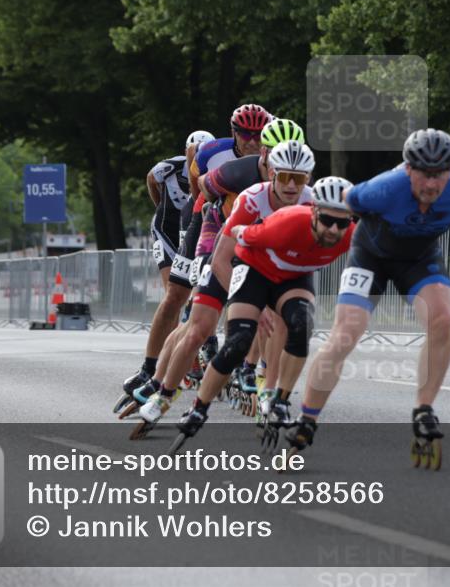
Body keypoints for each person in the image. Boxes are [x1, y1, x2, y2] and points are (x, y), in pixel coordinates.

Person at [288, 129, 450, 470]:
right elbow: (347, 204)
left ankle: (424, 410)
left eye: (441, 175)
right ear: (408, 169)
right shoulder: (381, 190)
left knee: (442, 320)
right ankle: (307, 418)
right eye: (424, 174)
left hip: (420, 260)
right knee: (347, 331)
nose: (432, 184)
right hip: (371, 257)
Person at [128, 135, 316, 439]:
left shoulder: (311, 202)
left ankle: (268, 386)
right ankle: (163, 392)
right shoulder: (251, 194)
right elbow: (220, 259)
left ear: (308, 178)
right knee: (199, 325)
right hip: (219, 244)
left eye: (299, 179)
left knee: (281, 317)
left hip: (262, 258)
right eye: (284, 178)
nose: (292, 187)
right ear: (271, 173)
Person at [169, 176, 356, 453]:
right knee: (239, 342)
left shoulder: (353, 236)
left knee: (301, 324)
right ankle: (199, 407)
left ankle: (280, 400)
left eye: (342, 223)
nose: (332, 229)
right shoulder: (287, 222)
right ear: (313, 212)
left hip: (293, 276)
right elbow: (237, 238)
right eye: (327, 220)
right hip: (255, 266)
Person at [113, 130, 213, 415]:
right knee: (174, 293)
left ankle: (192, 350)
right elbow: (150, 179)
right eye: (194, 153)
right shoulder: (170, 166)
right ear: (187, 151)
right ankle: (152, 367)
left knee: (195, 294)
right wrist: (159, 207)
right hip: (166, 229)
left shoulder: (217, 169)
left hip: (192, 229)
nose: (199, 160)